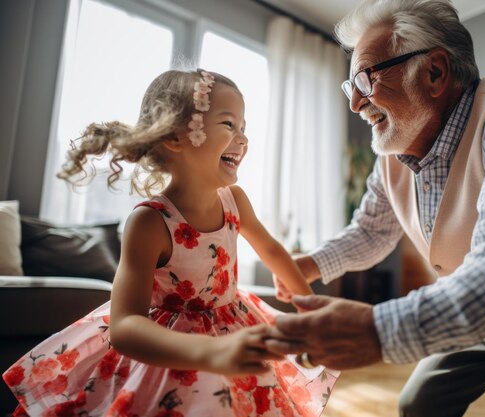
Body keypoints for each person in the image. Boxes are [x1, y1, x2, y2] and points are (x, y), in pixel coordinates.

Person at [266, 0, 485, 416]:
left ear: (435, 72)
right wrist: (308, 265)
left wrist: (376, 330)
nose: (355, 104)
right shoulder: (392, 154)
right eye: (352, 88)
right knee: (417, 404)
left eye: (365, 79)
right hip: (480, 310)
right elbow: (371, 232)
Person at [2, 69, 338, 417]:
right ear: (176, 137)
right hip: (172, 354)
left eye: (244, 128)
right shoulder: (149, 222)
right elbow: (125, 326)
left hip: (235, 324)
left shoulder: (235, 199)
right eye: (228, 124)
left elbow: (271, 250)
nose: (243, 139)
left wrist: (308, 309)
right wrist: (209, 352)